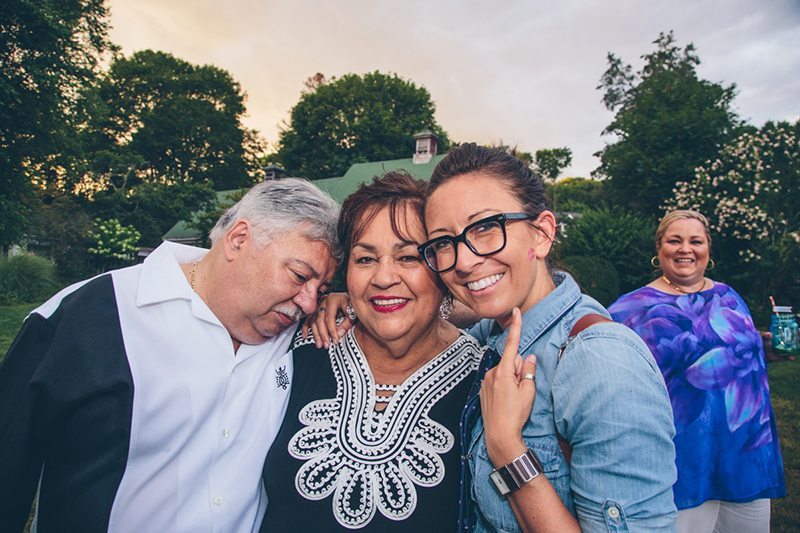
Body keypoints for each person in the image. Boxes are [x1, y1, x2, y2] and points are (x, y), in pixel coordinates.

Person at [312, 144, 678, 532]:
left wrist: (506, 447)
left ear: (541, 234)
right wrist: (351, 302)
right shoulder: (494, 332)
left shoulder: (601, 361)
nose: (465, 261)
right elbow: (433, 308)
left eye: (486, 228)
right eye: (444, 243)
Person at [0, 178, 339, 533]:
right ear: (239, 239)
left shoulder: (298, 339)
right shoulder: (91, 314)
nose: (309, 301)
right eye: (300, 275)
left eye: (322, 289)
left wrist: (345, 304)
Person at [260, 171, 484, 531]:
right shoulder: (298, 348)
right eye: (365, 259)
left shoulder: (485, 384)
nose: (383, 277)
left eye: (408, 258)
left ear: (443, 266)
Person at [609, 209, 785, 533]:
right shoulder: (629, 311)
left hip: (745, 455)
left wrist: (765, 347)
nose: (685, 249)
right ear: (658, 249)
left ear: (708, 249)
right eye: (674, 240)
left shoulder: (729, 296)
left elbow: (730, 354)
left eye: (695, 241)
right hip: (683, 463)